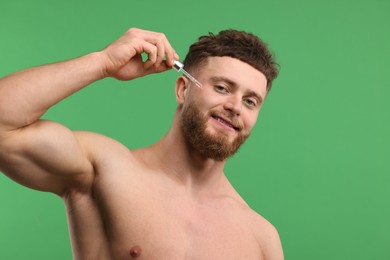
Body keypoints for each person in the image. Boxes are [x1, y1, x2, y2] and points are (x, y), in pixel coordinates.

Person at [0, 28, 283, 259]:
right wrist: (102, 63)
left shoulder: (261, 239)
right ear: (183, 89)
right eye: (222, 88)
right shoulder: (106, 169)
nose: (235, 107)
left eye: (250, 101)